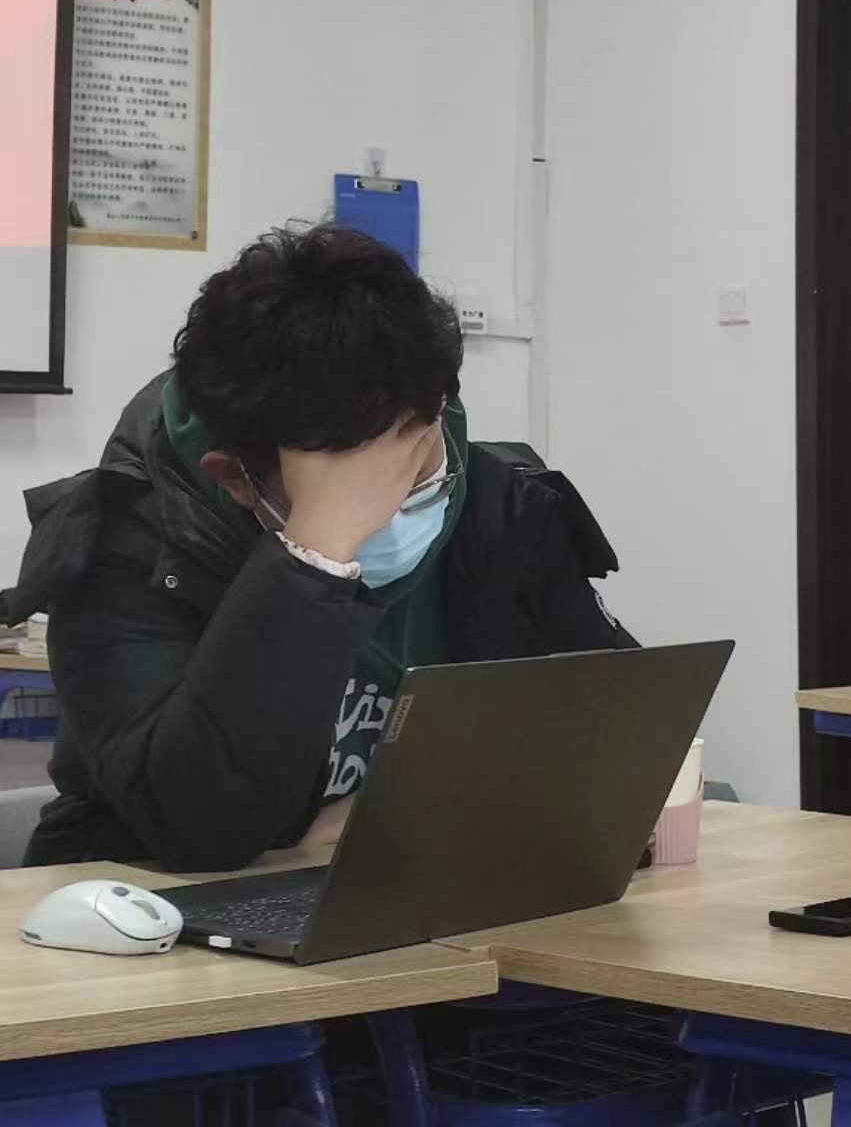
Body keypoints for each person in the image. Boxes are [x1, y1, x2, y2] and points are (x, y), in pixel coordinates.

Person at [3, 223, 633, 870]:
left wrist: (405, 812)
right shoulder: (118, 544)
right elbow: (200, 828)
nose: (394, 503)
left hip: (419, 885)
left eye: (413, 461)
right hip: (148, 904)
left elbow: (629, 732)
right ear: (237, 479)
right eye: (353, 488)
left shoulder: (499, 503)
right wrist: (316, 553)